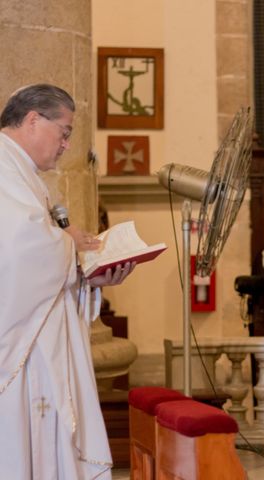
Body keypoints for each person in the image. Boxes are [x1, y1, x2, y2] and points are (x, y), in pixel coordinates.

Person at [0, 84, 135, 479]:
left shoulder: (19, 170)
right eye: (64, 131)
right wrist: (70, 245)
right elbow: (17, 248)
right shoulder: (4, 166)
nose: (66, 145)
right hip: (21, 349)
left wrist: (91, 273)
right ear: (32, 120)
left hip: (37, 335)